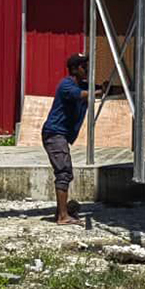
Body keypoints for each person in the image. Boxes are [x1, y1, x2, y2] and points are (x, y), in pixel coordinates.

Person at [41, 53, 94, 225]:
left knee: (65, 172)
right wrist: (99, 91)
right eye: (83, 66)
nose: (87, 69)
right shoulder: (67, 85)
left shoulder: (83, 85)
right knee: (64, 172)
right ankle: (63, 217)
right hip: (54, 134)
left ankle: (61, 212)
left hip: (61, 134)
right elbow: (84, 95)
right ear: (74, 69)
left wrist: (121, 88)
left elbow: (95, 90)